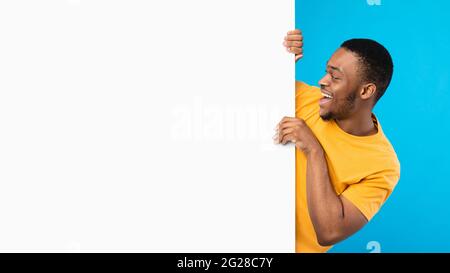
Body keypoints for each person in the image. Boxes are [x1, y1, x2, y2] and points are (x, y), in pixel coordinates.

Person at [275, 29, 400, 252]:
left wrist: (313, 150)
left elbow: (329, 231)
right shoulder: (304, 97)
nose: (322, 81)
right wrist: (273, 58)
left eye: (335, 77)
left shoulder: (383, 166)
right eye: (326, 72)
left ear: (366, 91)